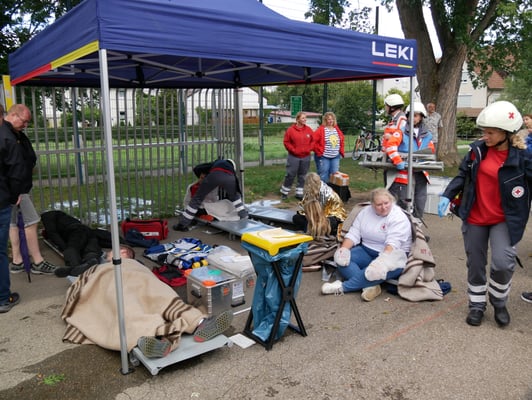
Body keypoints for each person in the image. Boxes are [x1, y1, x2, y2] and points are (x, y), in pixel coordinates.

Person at [437, 101, 532, 327]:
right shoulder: (476, 152)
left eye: (490, 132)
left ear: (506, 133)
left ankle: (499, 301)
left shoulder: (523, 158)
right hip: (475, 217)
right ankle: (477, 305)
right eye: (484, 131)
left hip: (504, 219)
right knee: (476, 263)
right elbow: (462, 175)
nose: (484, 136)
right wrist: (447, 195)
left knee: (503, 263)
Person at [61, 254, 234, 358]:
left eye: (123, 251)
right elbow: (82, 282)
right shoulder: (100, 267)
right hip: (111, 280)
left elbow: (147, 277)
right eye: (115, 252)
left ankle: (200, 323)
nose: (118, 253)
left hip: (140, 279)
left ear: (129, 255)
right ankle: (151, 339)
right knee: (126, 303)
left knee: (161, 294)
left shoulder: (136, 264)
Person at [321, 188, 412, 301]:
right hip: (367, 250)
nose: (384, 207)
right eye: (379, 205)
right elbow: (354, 233)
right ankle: (370, 285)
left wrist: (381, 263)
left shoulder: (398, 217)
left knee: (376, 271)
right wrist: (343, 250)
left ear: (391, 201)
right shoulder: (365, 212)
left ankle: (342, 287)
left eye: (386, 203)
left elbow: (392, 244)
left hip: (392, 255)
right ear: (372, 204)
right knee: (342, 260)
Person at [0, 104, 37, 313]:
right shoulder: (7, 137)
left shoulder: (15, 135)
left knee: (12, 226)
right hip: (9, 195)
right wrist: (15, 195)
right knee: (28, 223)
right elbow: (15, 168)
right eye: (24, 121)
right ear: (10, 115)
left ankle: (18, 259)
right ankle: (3, 298)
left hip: (9, 194)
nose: (25, 125)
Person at [388, 102, 435, 218]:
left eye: (416, 115)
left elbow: (430, 151)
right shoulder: (400, 132)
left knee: (420, 202)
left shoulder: (427, 135)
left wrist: (426, 160)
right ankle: (400, 225)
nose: (413, 118)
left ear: (421, 117)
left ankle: (416, 225)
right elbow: (391, 146)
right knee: (403, 203)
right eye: (410, 115)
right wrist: (398, 161)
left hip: (420, 171)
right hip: (404, 172)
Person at [174, 159, 247, 231]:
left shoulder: (217, 163)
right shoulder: (231, 171)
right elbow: (236, 190)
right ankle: (244, 216)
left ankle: (182, 224)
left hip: (215, 175)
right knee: (236, 199)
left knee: (197, 199)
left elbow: (198, 168)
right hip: (229, 178)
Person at [9, 195, 59, 275]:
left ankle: (17, 262)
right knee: (31, 222)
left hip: (6, 191)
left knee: (13, 222)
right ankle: (38, 262)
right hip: (16, 191)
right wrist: (18, 191)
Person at [279, 112, 314, 200]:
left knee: (302, 175)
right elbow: (286, 142)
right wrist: (293, 150)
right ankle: (284, 192)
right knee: (290, 174)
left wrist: (309, 149)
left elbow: (313, 141)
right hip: (293, 156)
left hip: (305, 156)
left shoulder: (309, 130)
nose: (305, 119)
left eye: (305, 118)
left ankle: (299, 193)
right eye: (303, 118)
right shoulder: (290, 130)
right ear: (297, 119)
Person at [381, 94, 408, 183]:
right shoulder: (395, 119)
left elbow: (404, 137)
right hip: (391, 157)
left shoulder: (402, 119)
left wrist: (390, 137)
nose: (385, 108)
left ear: (392, 107)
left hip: (396, 158)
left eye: (386, 106)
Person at [313, 112, 345, 184]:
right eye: (329, 119)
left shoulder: (336, 129)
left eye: (332, 119)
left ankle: (331, 189)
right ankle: (322, 189)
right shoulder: (321, 130)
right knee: (323, 175)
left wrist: (341, 150)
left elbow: (342, 140)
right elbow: (313, 141)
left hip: (335, 156)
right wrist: (318, 150)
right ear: (325, 120)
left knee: (334, 174)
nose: (331, 121)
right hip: (324, 156)